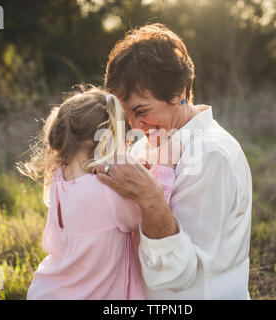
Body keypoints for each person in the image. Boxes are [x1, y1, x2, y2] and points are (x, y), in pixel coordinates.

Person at [95, 23, 253, 299]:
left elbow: (178, 274)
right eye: (125, 114)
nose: (133, 125)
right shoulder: (146, 143)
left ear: (180, 91)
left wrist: (152, 200)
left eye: (141, 110)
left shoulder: (211, 156)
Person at [17, 86, 176, 299]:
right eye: (124, 139)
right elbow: (152, 207)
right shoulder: (108, 191)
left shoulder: (59, 177)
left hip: (50, 291)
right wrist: (163, 167)